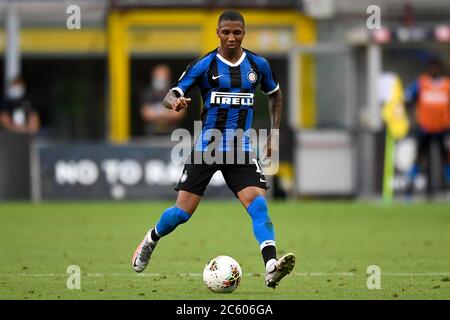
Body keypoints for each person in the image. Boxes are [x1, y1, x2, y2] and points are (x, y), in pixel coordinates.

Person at [132, 10, 295, 288]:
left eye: (237, 32)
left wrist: (274, 133)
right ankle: (151, 239)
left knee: (259, 206)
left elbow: (275, 94)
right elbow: (171, 94)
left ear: (244, 33)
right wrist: (174, 102)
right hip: (207, 147)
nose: (231, 38)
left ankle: (271, 265)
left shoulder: (258, 66)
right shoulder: (204, 66)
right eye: (226, 32)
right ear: (218, 33)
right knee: (182, 213)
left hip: (241, 148)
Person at [405, 57, 450, 195]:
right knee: (420, 157)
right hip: (425, 128)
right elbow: (407, 97)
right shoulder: (421, 83)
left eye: (436, 68)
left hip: (444, 128)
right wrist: (412, 118)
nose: (434, 70)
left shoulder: (447, 85)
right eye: (432, 68)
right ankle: (410, 186)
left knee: (446, 158)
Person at [140, 64, 185, 135]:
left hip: (172, 134)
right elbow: (146, 114)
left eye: (163, 77)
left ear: (168, 78)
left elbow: (179, 114)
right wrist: (168, 112)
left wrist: (156, 113)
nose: (160, 80)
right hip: (151, 135)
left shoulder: (176, 92)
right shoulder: (147, 93)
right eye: (158, 77)